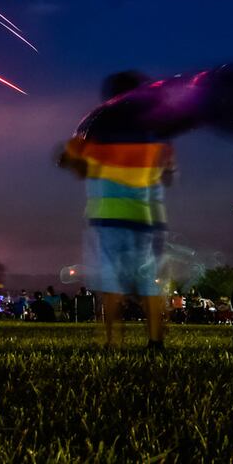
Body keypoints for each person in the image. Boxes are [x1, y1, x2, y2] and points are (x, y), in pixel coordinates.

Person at [58, 71, 175, 350]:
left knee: (109, 281)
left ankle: (112, 341)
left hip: (107, 215)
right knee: (148, 280)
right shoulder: (154, 128)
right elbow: (167, 173)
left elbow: (70, 161)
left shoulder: (95, 123)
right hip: (145, 216)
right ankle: (155, 341)